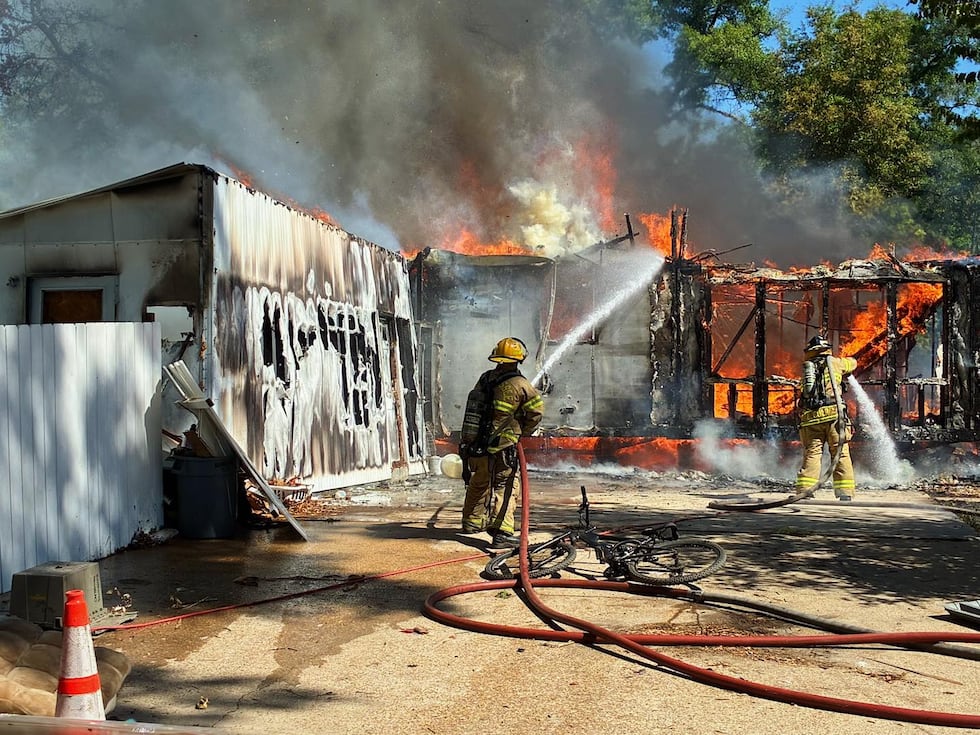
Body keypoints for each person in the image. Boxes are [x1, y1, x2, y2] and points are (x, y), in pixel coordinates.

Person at [458, 337, 544, 549]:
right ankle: (502, 533)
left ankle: (471, 522)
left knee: (479, 481)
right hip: (503, 446)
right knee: (505, 485)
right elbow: (536, 413)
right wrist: (522, 432)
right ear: (519, 359)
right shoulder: (522, 384)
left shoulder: (485, 379)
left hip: (477, 445)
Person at [795, 335, 859, 500]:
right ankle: (845, 493)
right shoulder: (836, 363)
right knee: (840, 453)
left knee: (812, 454)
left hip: (811, 418)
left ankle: (805, 491)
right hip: (833, 416)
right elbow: (853, 363)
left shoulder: (807, 369)